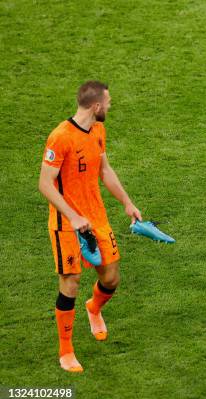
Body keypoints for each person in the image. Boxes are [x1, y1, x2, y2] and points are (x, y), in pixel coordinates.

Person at [39, 81, 142, 372]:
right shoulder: (60, 137)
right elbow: (45, 184)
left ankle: (94, 308)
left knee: (111, 278)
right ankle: (66, 351)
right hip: (66, 222)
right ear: (96, 106)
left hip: (95, 217)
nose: (110, 106)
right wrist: (72, 216)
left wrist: (127, 202)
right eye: (107, 102)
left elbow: (104, 170)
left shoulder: (98, 130)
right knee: (69, 282)